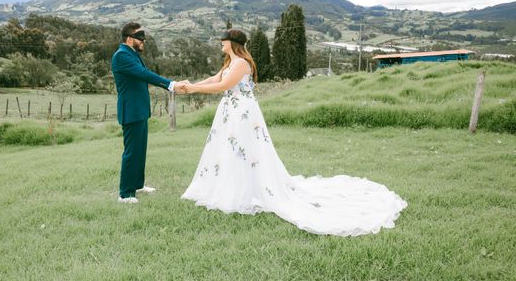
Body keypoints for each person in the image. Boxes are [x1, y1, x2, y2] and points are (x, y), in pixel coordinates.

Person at [181, 29, 407, 236]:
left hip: (242, 112)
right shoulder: (230, 61)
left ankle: (246, 190)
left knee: (245, 151)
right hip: (229, 111)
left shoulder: (241, 63)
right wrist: (190, 84)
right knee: (227, 149)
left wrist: (193, 89)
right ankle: (226, 187)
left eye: (224, 40)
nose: (221, 43)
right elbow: (215, 79)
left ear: (233, 42)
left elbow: (222, 86)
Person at [111, 22, 186, 204]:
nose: (144, 41)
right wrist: (171, 84)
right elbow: (144, 74)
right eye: (140, 38)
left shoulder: (132, 54)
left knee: (140, 150)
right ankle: (125, 194)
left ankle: (137, 185)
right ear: (129, 39)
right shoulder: (121, 56)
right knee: (131, 152)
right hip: (131, 110)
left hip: (140, 110)